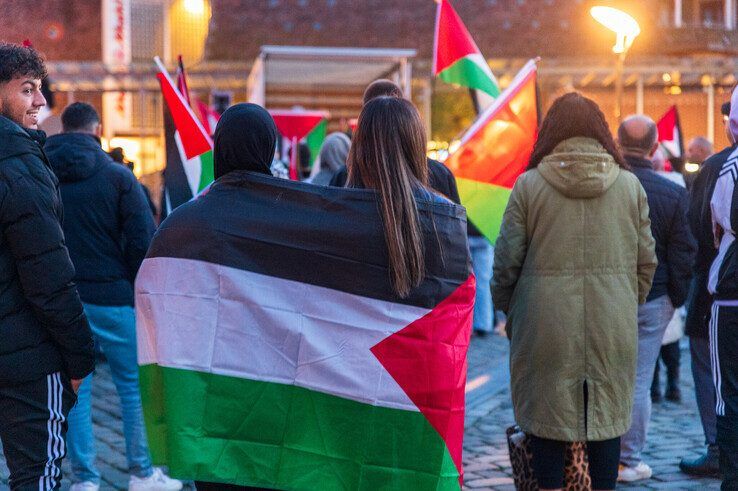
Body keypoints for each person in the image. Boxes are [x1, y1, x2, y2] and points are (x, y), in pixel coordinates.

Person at [493, 92, 657, 491]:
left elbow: (505, 263)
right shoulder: (629, 187)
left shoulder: (529, 186)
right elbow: (647, 262)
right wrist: (621, 301)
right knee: (606, 420)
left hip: (544, 323)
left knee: (545, 420)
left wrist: (511, 310)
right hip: (612, 324)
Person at [44, 103, 181, 491]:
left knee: (78, 391)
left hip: (63, 299)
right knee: (132, 386)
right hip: (115, 297)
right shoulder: (118, 178)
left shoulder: (41, 173)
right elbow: (142, 242)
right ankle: (140, 472)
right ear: (97, 129)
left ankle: (85, 481)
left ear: (64, 128)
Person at [0, 42, 95, 490]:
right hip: (28, 359)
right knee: (37, 476)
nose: (40, 100)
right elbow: (48, 275)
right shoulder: (19, 164)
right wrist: (80, 353)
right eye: (27, 90)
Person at [615, 115, 696, 482]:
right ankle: (627, 459)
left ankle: (598, 452)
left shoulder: (609, 186)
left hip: (611, 295)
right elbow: (684, 252)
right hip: (655, 299)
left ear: (617, 144)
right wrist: (674, 299)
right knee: (638, 381)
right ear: (654, 147)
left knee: (604, 376)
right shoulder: (673, 192)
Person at [681, 100, 736, 477]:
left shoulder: (721, 166)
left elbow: (700, 230)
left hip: (727, 292)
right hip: (724, 288)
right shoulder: (720, 165)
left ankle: (723, 458)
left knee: (724, 388)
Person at [707, 86, 738, 489]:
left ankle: (732, 478)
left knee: (729, 394)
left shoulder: (730, 166)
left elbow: (717, 223)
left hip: (732, 291)